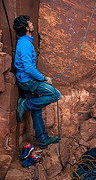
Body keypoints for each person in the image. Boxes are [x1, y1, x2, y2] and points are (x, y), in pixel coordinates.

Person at [13, 15, 61, 149]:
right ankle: (25, 104)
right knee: (55, 95)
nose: (32, 23)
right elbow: (28, 68)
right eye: (30, 22)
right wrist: (43, 78)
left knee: (37, 109)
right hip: (28, 81)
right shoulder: (25, 44)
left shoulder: (25, 41)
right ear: (27, 28)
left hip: (26, 80)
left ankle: (43, 139)